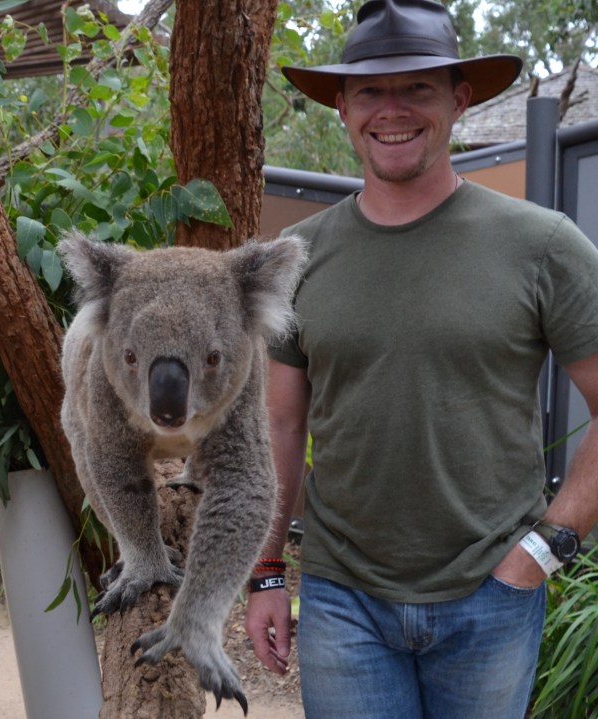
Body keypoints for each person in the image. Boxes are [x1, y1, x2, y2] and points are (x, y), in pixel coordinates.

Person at [243, 1, 598, 717]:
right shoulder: (299, 258)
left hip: (492, 595)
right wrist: (266, 570)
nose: (393, 110)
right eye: (371, 91)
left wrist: (544, 549)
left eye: (418, 87)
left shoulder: (543, 246)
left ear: (459, 100)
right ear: (343, 107)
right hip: (343, 599)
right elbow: (279, 424)